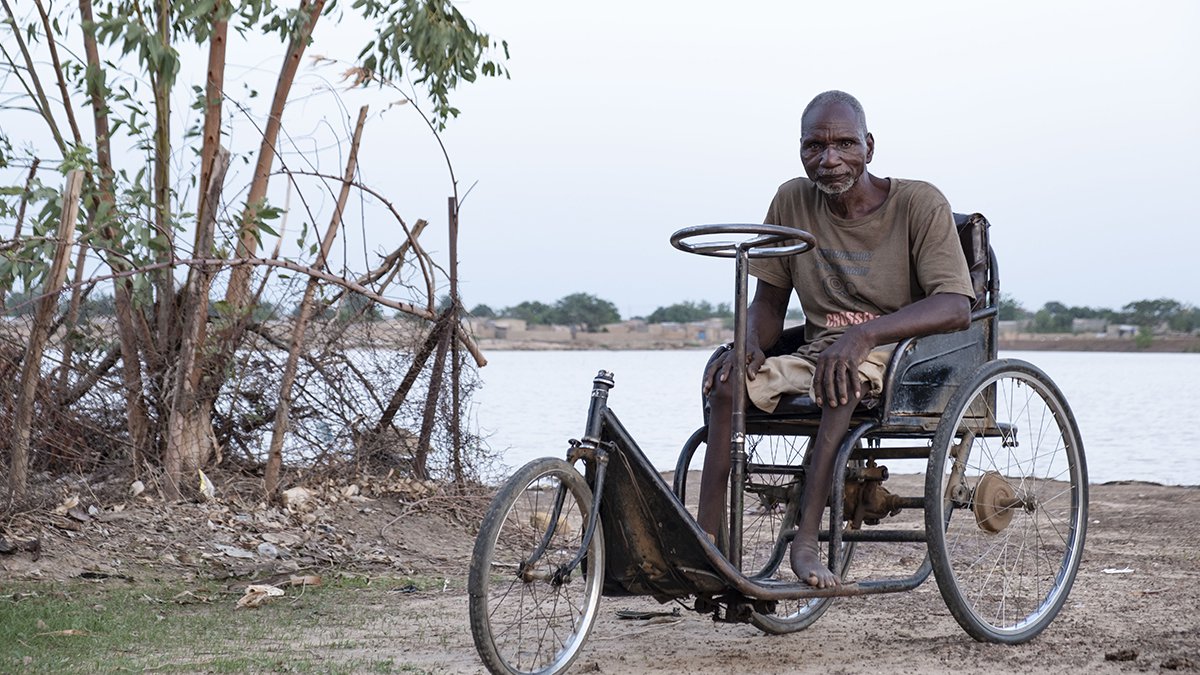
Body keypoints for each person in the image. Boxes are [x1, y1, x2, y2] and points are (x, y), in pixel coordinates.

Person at [697, 90, 975, 588]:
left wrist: (863, 335)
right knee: (725, 384)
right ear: (801, 151)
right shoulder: (791, 200)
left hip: (897, 356)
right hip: (816, 350)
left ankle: (805, 544)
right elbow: (768, 303)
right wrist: (746, 344)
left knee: (839, 377)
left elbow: (955, 305)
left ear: (869, 146)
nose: (829, 160)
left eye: (844, 144)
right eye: (814, 147)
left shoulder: (919, 202)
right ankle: (706, 544)